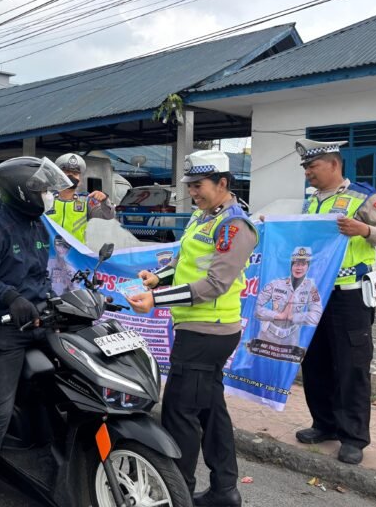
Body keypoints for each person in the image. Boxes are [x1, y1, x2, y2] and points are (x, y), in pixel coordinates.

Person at [126, 150, 258, 507]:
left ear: (222, 184)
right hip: (199, 328)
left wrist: (158, 299)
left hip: (208, 332)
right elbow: (188, 264)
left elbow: (215, 283)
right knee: (211, 411)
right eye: (190, 186)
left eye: (198, 186)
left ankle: (176, 492)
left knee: (180, 413)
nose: (193, 193)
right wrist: (159, 278)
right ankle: (224, 490)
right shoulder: (203, 218)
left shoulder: (234, 226)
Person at [0, 156, 71, 507]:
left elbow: (40, 278)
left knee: (68, 389)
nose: (49, 196)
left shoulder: (40, 227)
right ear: (24, 192)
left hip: (37, 321)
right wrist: (10, 297)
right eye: (43, 190)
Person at [292, 139, 376, 465]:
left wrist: (364, 229)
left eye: (312, 166)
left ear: (334, 164)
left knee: (352, 366)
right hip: (315, 293)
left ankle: (353, 437)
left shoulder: (363, 196)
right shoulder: (311, 202)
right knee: (316, 362)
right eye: (305, 168)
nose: (308, 172)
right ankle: (324, 424)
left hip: (350, 294)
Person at [254, 246, 322, 350]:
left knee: (291, 366)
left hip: (292, 340)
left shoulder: (311, 288)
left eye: (303, 264)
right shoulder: (275, 284)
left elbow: (316, 316)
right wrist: (278, 316)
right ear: (291, 266)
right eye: (296, 264)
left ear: (308, 266)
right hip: (267, 336)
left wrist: (293, 317)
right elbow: (255, 308)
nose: (299, 267)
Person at [45, 153, 115, 244]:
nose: (70, 176)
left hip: (76, 256)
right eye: (66, 172)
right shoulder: (47, 199)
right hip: (50, 254)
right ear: (58, 176)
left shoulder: (86, 201)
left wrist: (105, 201)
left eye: (75, 173)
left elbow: (108, 217)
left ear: (80, 181)